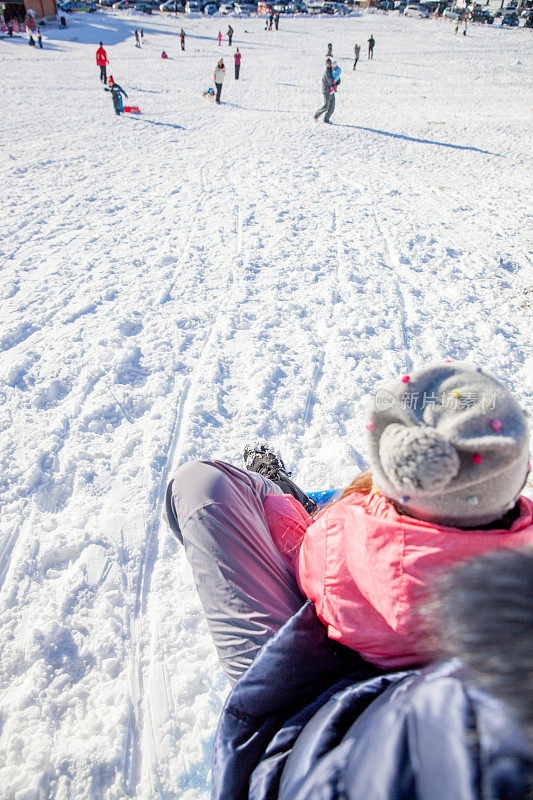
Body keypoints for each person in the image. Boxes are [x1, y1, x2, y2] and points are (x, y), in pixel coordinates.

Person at [166, 362, 532, 679]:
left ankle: (278, 487)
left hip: (327, 679)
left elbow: (307, 564)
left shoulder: (342, 539)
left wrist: (343, 510)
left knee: (267, 505)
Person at [313, 57, 339, 124]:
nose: (329, 64)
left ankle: (326, 120)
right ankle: (316, 115)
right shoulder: (327, 72)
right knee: (326, 106)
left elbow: (337, 78)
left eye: (330, 63)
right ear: (326, 64)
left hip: (332, 91)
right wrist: (335, 83)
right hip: (327, 91)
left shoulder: (332, 70)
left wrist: (338, 81)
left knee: (332, 107)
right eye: (328, 63)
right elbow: (330, 81)